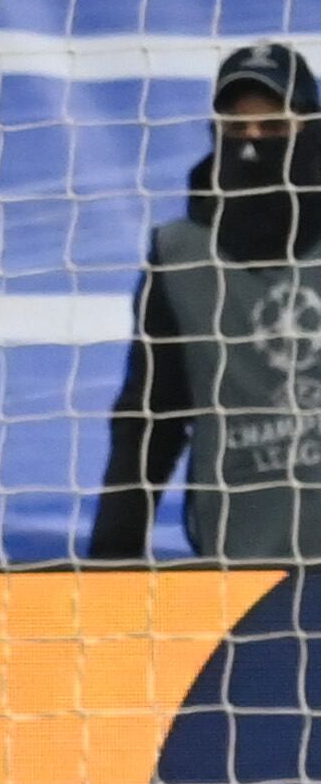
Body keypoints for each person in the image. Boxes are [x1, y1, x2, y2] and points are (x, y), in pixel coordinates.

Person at [90, 41, 321, 565]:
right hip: (240, 569)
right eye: (236, 129)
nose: (253, 142)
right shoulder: (182, 257)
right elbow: (150, 417)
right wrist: (113, 555)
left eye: (274, 127)